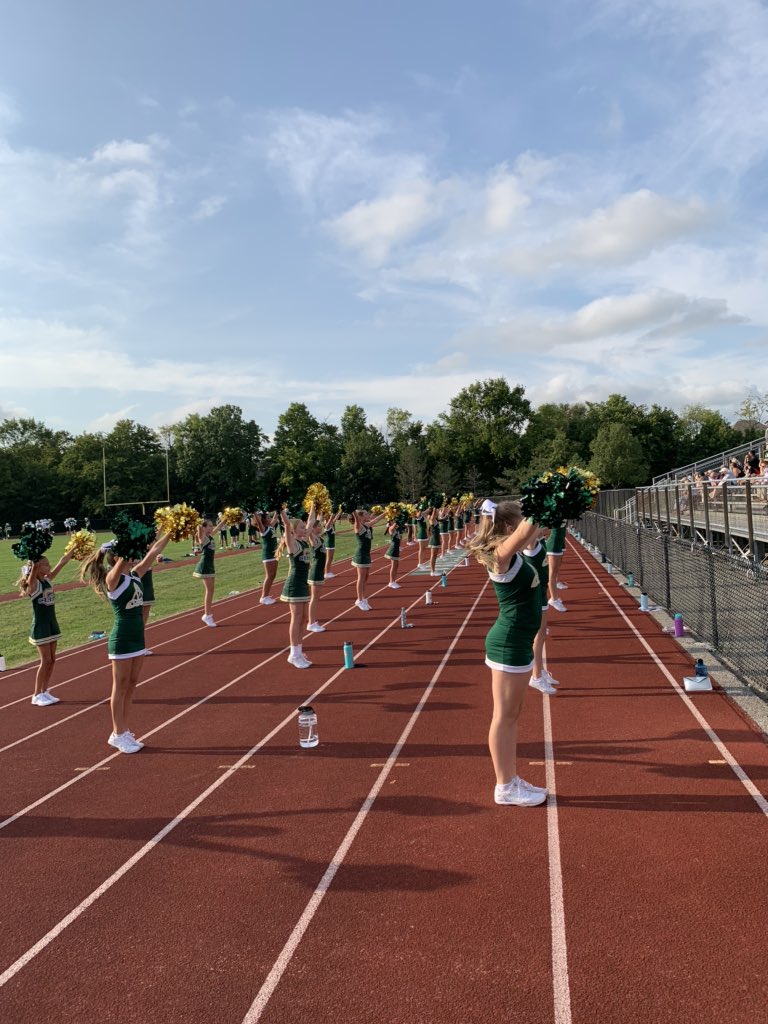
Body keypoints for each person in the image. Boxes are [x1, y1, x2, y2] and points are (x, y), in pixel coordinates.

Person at [467, 501, 548, 807]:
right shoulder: (501, 556)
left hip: (517, 642)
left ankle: (510, 779)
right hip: (508, 643)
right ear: (511, 529)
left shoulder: (511, 554)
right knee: (504, 717)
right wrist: (547, 500)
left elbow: (533, 529)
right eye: (522, 523)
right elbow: (530, 527)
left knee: (511, 716)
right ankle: (504, 786)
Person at [81, 531, 171, 753]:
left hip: (137, 637)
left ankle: (124, 729)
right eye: (129, 554)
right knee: (119, 686)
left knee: (131, 685)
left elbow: (154, 551)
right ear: (118, 557)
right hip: (121, 638)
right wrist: (125, 547)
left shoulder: (134, 575)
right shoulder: (113, 580)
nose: (136, 555)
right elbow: (121, 561)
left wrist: (171, 529)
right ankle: (117, 733)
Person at [17, 549, 74, 705]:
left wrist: (74, 547)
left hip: (51, 624)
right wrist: (34, 556)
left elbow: (62, 562)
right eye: (45, 564)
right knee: (45, 660)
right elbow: (34, 568)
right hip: (40, 626)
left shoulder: (48, 579)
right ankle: (36, 695)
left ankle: (44, 690)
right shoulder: (34, 585)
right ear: (37, 567)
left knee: (52, 660)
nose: (49, 566)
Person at [523, 528, 559, 696]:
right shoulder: (531, 544)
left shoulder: (538, 541)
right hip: (536, 595)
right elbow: (530, 528)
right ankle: (536, 676)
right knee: (539, 634)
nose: (549, 526)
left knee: (542, 633)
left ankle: (541, 670)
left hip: (541, 594)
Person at [278, 507, 313, 668]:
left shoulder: (304, 540)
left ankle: (299, 651)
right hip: (294, 584)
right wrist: (280, 509)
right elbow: (286, 524)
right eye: (301, 527)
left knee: (304, 618)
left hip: (303, 583)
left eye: (304, 527)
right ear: (293, 530)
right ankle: (293, 654)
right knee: (297, 617)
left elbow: (312, 520)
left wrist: (314, 504)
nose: (304, 528)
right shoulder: (292, 544)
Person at [193, 514, 228, 626]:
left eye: (212, 526)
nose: (212, 527)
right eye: (209, 526)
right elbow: (199, 532)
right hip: (204, 566)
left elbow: (218, 527)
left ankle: (207, 614)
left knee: (211, 590)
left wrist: (227, 518)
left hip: (210, 566)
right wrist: (198, 523)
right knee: (209, 591)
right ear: (204, 528)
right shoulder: (203, 538)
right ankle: (207, 615)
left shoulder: (211, 536)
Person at [351, 507, 386, 610]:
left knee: (366, 577)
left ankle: (363, 597)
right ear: (360, 516)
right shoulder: (358, 526)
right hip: (361, 555)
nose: (368, 515)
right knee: (361, 578)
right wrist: (353, 510)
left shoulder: (366, 525)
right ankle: (359, 600)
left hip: (367, 554)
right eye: (366, 514)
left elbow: (376, 520)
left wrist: (386, 513)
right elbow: (356, 519)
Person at [307, 507, 328, 633]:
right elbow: (310, 527)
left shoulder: (320, 538)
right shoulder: (314, 539)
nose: (321, 527)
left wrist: (318, 508)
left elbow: (319, 519)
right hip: (315, 571)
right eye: (318, 526)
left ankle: (312, 620)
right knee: (314, 598)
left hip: (319, 571)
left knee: (316, 597)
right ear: (313, 529)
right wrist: (312, 510)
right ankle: (311, 622)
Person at [253, 510, 279, 604]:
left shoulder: (271, 526)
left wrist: (279, 508)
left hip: (274, 553)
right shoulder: (263, 530)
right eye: (268, 518)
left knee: (273, 575)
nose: (270, 519)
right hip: (268, 555)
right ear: (264, 520)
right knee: (269, 575)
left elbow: (276, 517)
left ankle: (267, 595)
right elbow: (259, 522)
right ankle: (263, 597)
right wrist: (254, 513)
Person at [546, 524, 568, 612]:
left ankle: (555, 597)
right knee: (552, 573)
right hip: (554, 543)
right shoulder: (554, 514)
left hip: (559, 542)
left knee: (555, 570)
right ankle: (553, 599)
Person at [322, 507, 344, 578]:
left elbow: (336, 517)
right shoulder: (327, 525)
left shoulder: (331, 524)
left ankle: (327, 571)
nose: (333, 517)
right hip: (329, 544)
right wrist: (332, 515)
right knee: (329, 558)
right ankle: (326, 573)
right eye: (330, 516)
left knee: (330, 558)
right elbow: (331, 520)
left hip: (332, 543)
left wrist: (341, 511)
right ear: (328, 518)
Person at [384, 518, 403, 588]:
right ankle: (391, 582)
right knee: (394, 565)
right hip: (393, 549)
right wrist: (396, 522)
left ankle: (393, 581)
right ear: (391, 522)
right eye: (394, 521)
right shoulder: (390, 528)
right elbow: (392, 528)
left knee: (396, 565)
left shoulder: (396, 529)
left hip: (396, 549)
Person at [428, 506, 442, 575]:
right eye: (436, 512)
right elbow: (432, 516)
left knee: (435, 556)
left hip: (436, 539)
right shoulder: (431, 519)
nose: (437, 512)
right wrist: (434, 509)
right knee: (433, 556)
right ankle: (432, 571)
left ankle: (433, 570)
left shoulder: (435, 519)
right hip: (434, 539)